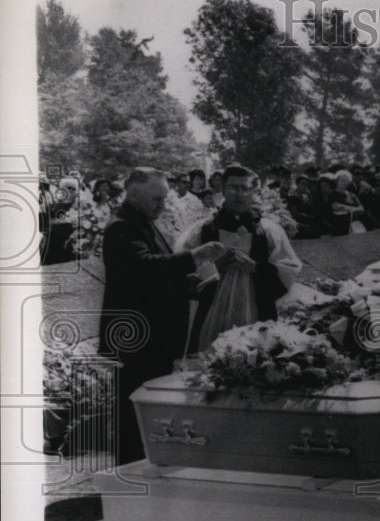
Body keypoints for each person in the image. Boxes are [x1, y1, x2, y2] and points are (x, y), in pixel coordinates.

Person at [99, 167, 226, 465]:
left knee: (150, 402)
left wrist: (184, 283)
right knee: (136, 405)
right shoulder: (121, 226)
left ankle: (148, 463)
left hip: (152, 332)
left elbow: (148, 276)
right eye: (157, 199)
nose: (163, 205)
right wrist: (195, 257)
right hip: (138, 335)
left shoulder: (142, 220)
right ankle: (131, 469)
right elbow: (143, 267)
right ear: (134, 195)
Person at [176, 164, 302, 353]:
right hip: (213, 308)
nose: (239, 194)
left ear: (253, 192)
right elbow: (182, 268)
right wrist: (214, 268)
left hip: (256, 306)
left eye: (245, 188)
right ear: (223, 190)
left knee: (256, 356)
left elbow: (289, 269)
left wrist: (256, 268)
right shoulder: (203, 230)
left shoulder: (269, 230)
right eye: (233, 187)